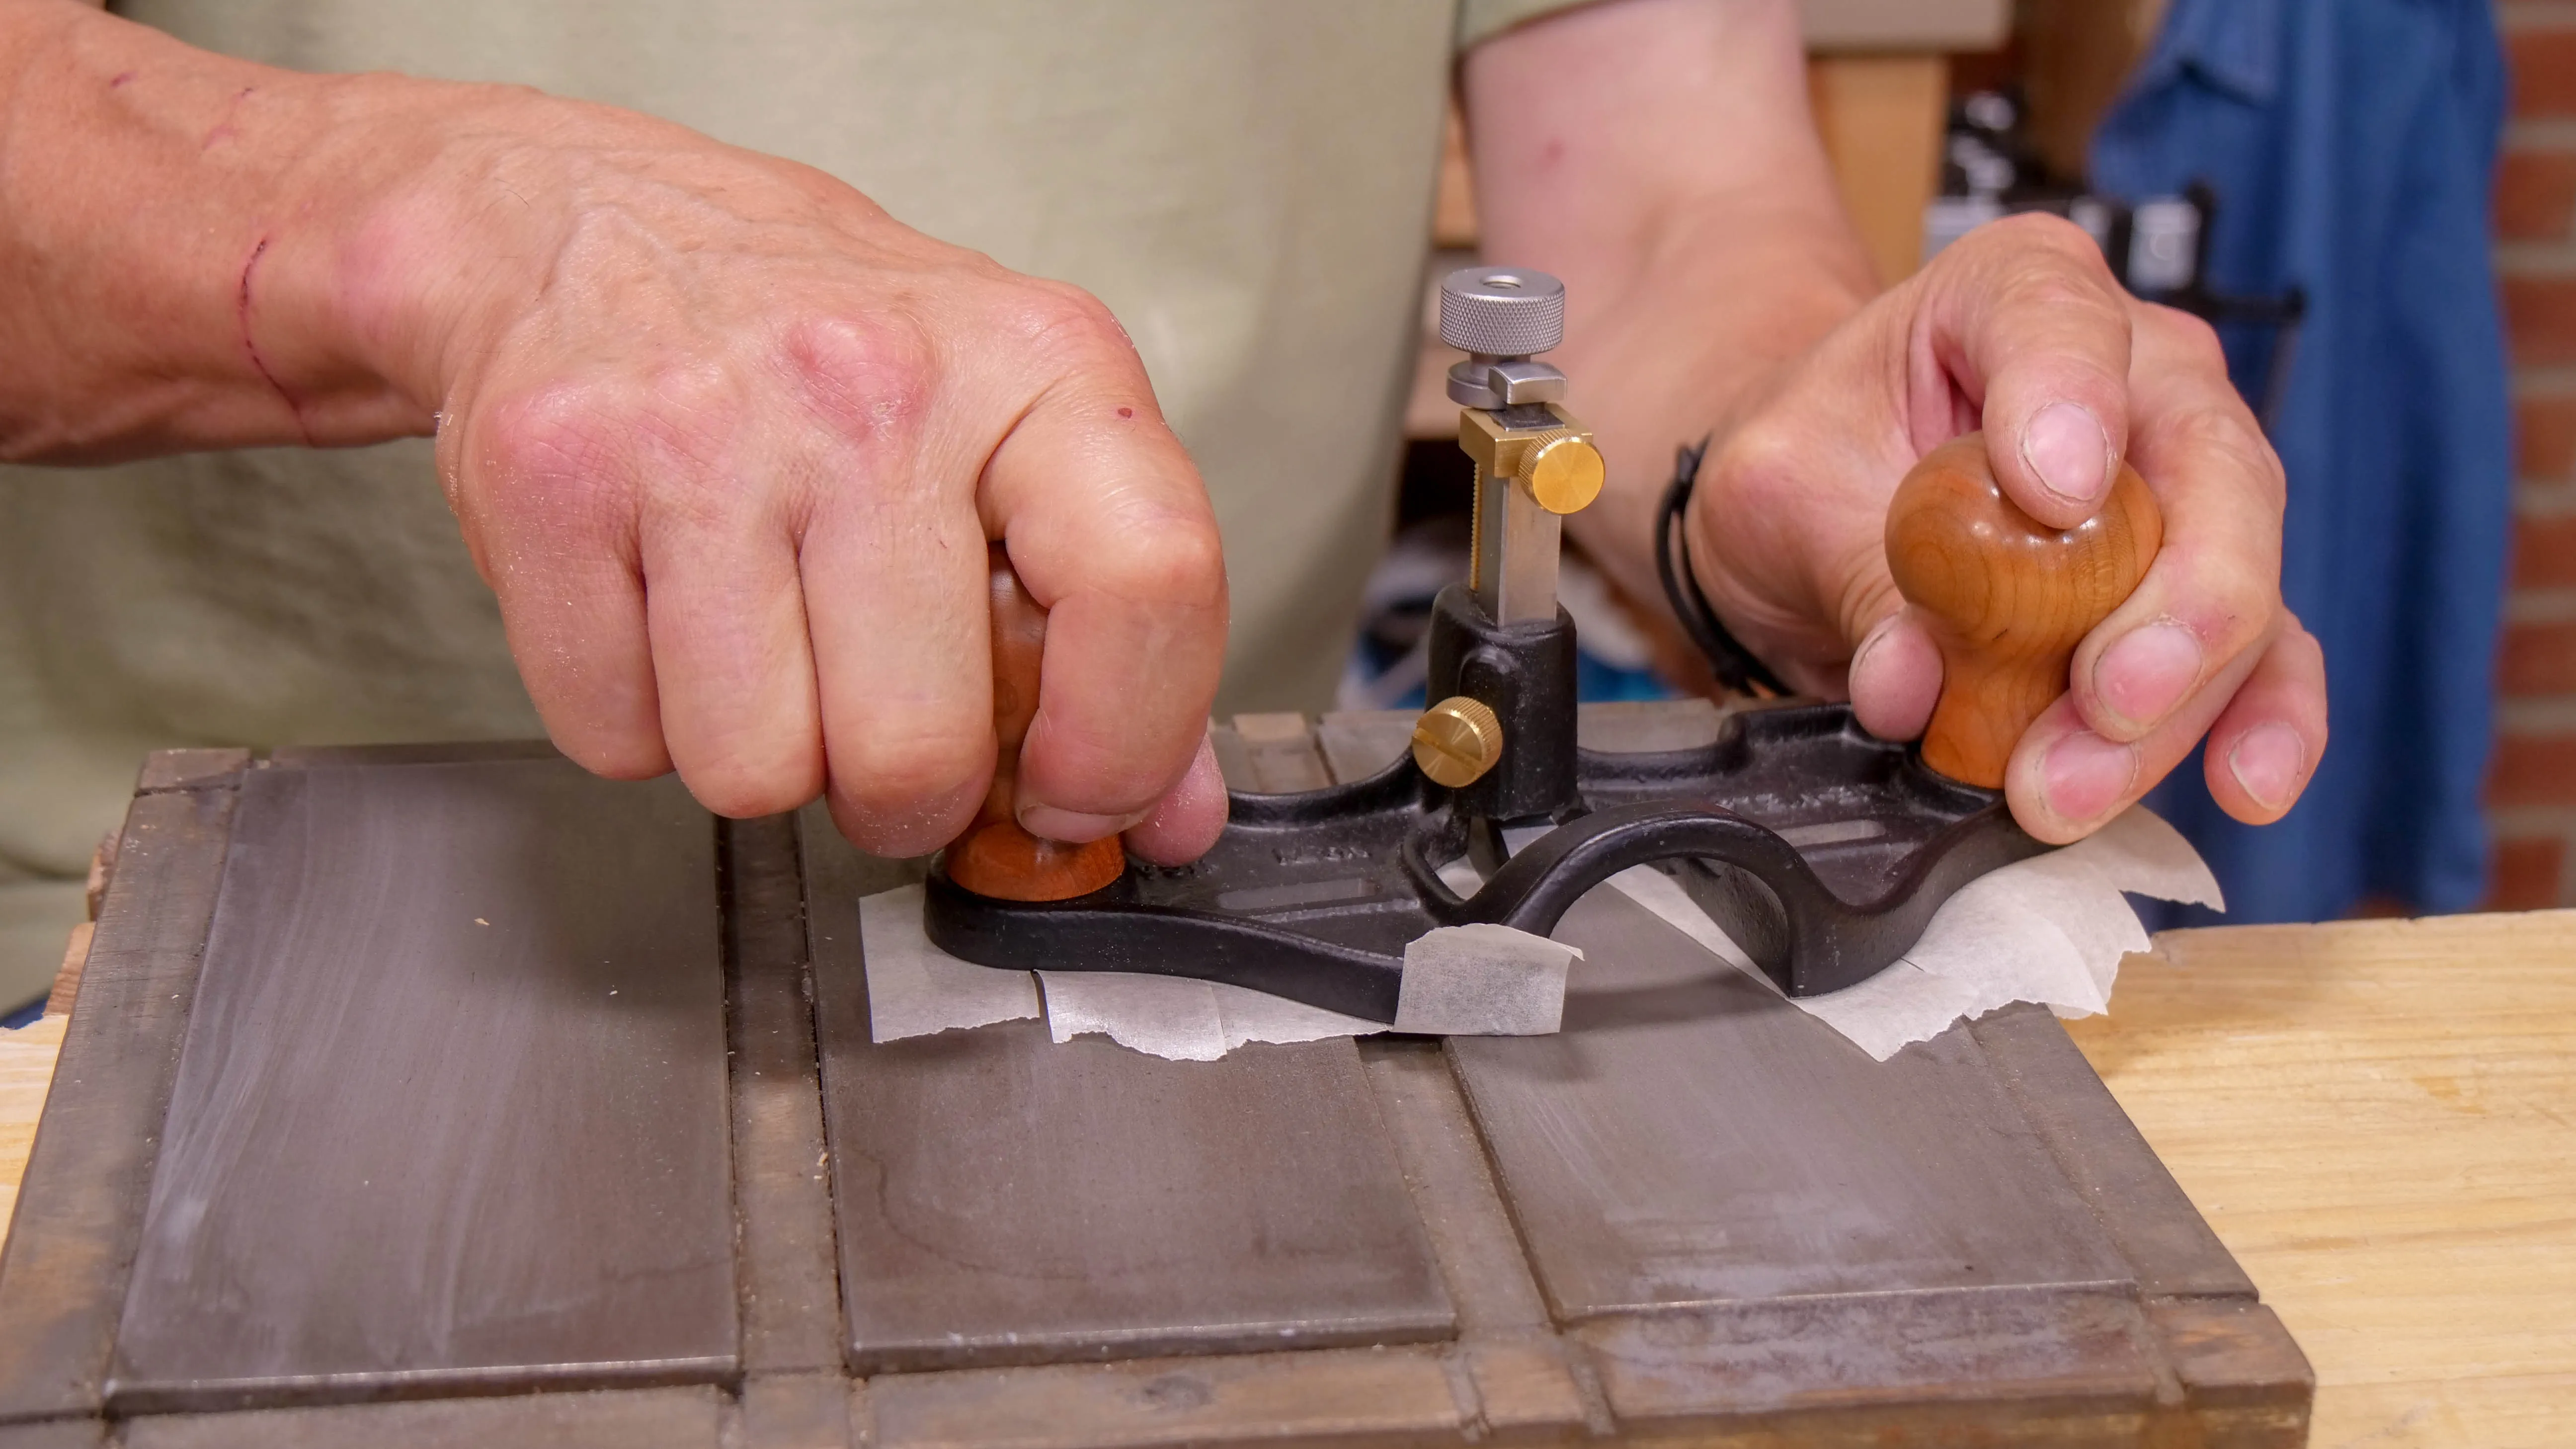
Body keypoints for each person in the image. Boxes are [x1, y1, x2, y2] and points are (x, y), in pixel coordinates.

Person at [0, 0, 2324, 993]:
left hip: (1178, 872)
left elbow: (1650, 219)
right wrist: (456, 223)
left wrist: (1777, 462)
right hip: (163, 943)